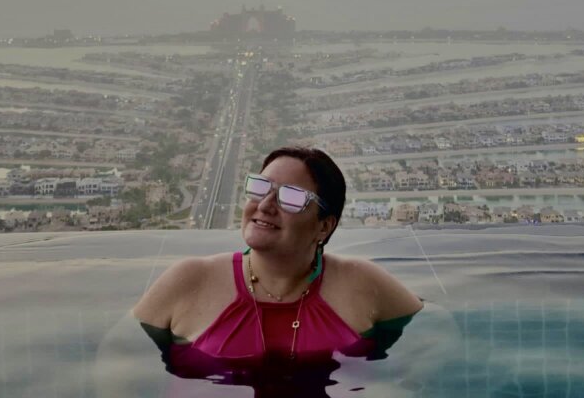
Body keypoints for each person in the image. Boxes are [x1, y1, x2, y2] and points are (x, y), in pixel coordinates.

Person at [133, 145, 422, 370]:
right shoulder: (189, 280)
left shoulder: (362, 282)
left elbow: (433, 339)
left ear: (324, 226)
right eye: (260, 187)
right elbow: (122, 359)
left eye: (291, 198)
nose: (265, 205)